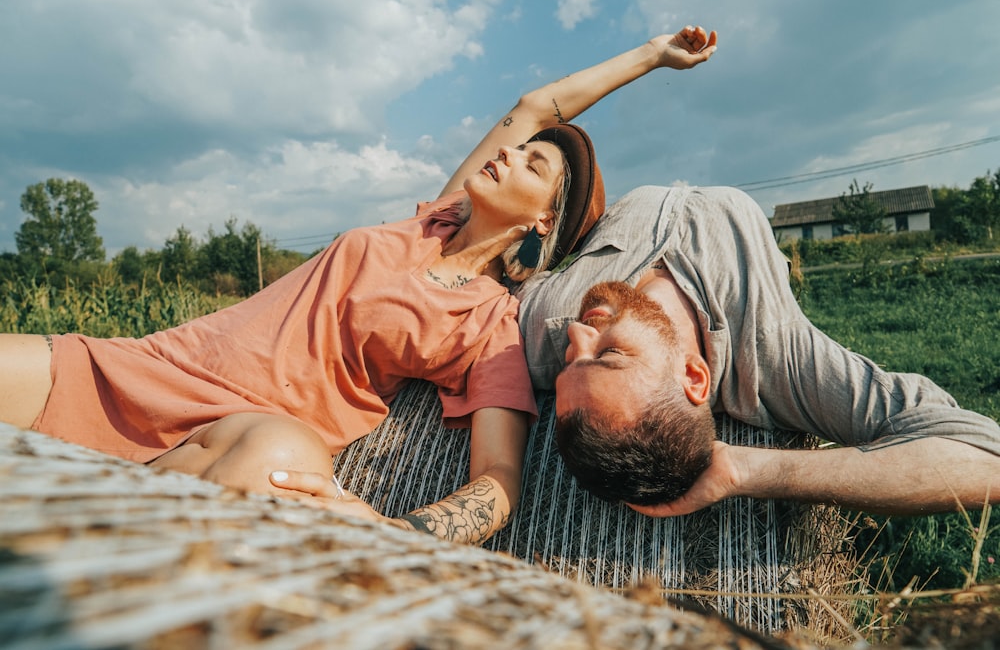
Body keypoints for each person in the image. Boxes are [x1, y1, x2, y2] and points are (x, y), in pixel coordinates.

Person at [0, 27, 719, 545]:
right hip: (145, 367)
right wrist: (653, 55)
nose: (507, 151)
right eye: (515, 147)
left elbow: (499, 481)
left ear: (541, 222)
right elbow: (538, 103)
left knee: (281, 461)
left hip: (243, 430)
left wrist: (398, 532)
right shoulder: (436, 220)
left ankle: (69, 534)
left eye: (530, 164)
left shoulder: (489, 326)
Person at [516, 185, 1000, 517]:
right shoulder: (777, 360)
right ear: (694, 377)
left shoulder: (535, 330)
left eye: (568, 364)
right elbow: (983, 455)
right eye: (609, 355)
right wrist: (747, 469)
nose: (579, 334)